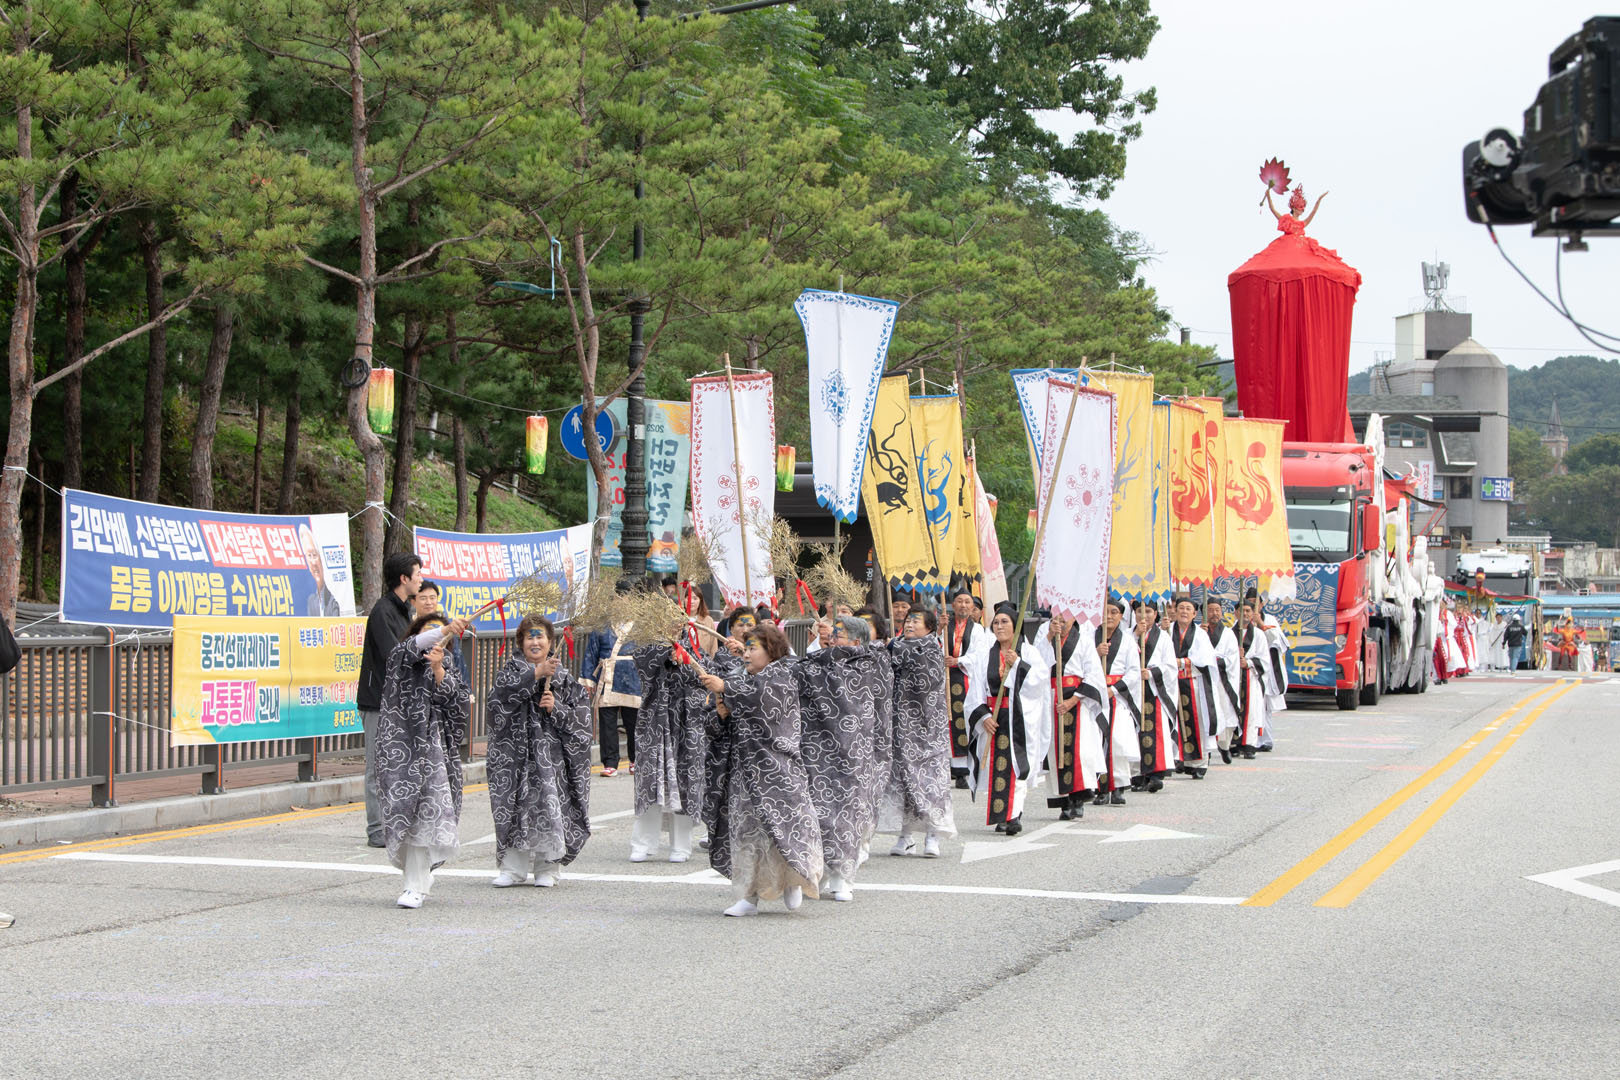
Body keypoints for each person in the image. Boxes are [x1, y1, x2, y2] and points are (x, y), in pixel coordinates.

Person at [698, 623, 824, 917]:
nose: (747, 654)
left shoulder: (781, 677)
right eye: (746, 648)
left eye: (753, 648)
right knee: (746, 834)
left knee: (784, 828)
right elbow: (714, 726)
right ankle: (748, 897)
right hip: (744, 770)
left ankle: (794, 880)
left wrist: (726, 688)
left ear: (772, 651)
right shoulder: (739, 679)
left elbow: (761, 700)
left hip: (778, 769)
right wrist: (720, 714)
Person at [485, 615, 592, 888]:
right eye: (529, 637)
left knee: (549, 806)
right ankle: (512, 868)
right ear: (521, 642)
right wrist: (535, 674)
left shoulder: (564, 679)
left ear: (550, 641)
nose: (535, 642)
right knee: (514, 807)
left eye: (540, 636)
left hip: (551, 756)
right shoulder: (509, 674)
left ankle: (548, 867)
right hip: (513, 754)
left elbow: (582, 721)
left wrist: (556, 708)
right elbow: (497, 703)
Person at [376, 612, 471, 908]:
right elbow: (407, 649)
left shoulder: (449, 665)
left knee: (424, 815)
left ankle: (414, 885)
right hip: (400, 751)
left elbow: (457, 703)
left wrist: (439, 669)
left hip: (434, 754)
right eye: (430, 633)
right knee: (402, 814)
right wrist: (444, 628)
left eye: (443, 636)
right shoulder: (401, 660)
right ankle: (418, 877)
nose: (436, 639)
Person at [795, 613, 892, 902]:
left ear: (857, 641)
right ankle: (820, 872)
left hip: (854, 752)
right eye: (832, 633)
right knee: (817, 812)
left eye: (839, 634)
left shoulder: (871, 664)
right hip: (816, 749)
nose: (833, 637)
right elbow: (794, 670)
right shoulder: (815, 662)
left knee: (847, 815)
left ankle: (843, 877)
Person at [965, 601, 1051, 836]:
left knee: (1016, 765)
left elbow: (1040, 681)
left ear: (1015, 626)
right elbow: (975, 691)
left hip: (1019, 718)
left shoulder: (1029, 652)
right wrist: (983, 716)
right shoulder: (985, 656)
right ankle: (1002, 814)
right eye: (996, 622)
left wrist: (1019, 665)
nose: (1000, 626)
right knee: (997, 765)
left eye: (1005, 622)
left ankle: (1013, 814)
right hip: (994, 719)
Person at [357, 551, 422, 847]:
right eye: (417, 574)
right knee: (377, 767)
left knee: (396, 766)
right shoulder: (382, 611)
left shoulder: (404, 610)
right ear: (404, 578)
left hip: (396, 701)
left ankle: (394, 824)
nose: (421, 579)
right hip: (377, 701)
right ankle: (376, 829)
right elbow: (394, 655)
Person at [884, 609, 958, 857]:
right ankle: (905, 836)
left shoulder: (931, 649)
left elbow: (923, 678)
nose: (910, 624)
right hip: (900, 727)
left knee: (930, 782)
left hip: (928, 728)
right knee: (903, 781)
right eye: (908, 620)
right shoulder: (895, 647)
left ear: (929, 628)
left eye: (916, 621)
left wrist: (894, 649)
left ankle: (932, 834)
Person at [630, 640, 708, 864]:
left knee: (684, 784)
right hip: (654, 723)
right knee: (650, 783)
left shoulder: (694, 649)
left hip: (687, 724)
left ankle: (681, 846)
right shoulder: (647, 648)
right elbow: (644, 668)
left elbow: (706, 678)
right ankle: (643, 844)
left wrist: (686, 661)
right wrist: (666, 654)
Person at [1033, 609, 1107, 820]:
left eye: (1065, 616)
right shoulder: (1044, 635)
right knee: (1054, 749)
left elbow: (1093, 674)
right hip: (1051, 698)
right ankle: (1063, 800)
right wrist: (1049, 638)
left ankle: (1078, 797)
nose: (1061, 620)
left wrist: (1073, 700)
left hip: (1077, 700)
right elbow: (1036, 664)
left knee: (1079, 751)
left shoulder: (1084, 640)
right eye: (1057, 616)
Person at [582, 587, 642, 777]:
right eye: (618, 598)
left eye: (626, 598)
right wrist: (588, 680)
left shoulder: (641, 626)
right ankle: (610, 762)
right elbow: (591, 652)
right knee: (607, 721)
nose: (622, 602)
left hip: (632, 678)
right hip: (607, 676)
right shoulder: (602, 625)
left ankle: (635, 759)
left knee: (633, 722)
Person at [1093, 596, 1142, 804]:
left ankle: (1119, 785)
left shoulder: (1128, 641)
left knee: (1118, 741)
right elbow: (1082, 665)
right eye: (1106, 612)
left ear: (1121, 616)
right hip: (1095, 695)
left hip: (1119, 697)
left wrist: (1114, 689)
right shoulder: (1090, 637)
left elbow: (1133, 672)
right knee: (1097, 740)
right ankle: (1100, 787)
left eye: (1114, 612)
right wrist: (1096, 653)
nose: (1109, 616)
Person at [942, 589, 989, 787]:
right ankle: (951, 768)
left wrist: (959, 660)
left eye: (967, 602)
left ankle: (965, 769)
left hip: (966, 679)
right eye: (959, 601)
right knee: (947, 723)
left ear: (972, 607)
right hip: (945, 680)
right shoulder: (945, 626)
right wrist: (939, 630)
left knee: (965, 721)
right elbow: (936, 646)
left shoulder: (978, 630)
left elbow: (980, 655)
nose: (963, 605)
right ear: (953, 605)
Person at [1168, 596, 1217, 779]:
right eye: (1181, 607)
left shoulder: (1200, 634)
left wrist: (1181, 662)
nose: (1184, 611)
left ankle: (1199, 762)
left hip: (1192, 682)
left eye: (1188, 609)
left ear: (1195, 613)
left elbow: (1205, 659)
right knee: (1173, 721)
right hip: (1171, 683)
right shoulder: (1166, 631)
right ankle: (1177, 758)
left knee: (1197, 721)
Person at [1133, 602, 1180, 791]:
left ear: (1155, 614)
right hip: (1132, 691)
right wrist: (1136, 636)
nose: (1144, 615)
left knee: (1155, 732)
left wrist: (1151, 673)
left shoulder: (1163, 638)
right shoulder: (1128, 636)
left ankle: (1155, 773)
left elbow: (1170, 666)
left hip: (1154, 690)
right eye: (1139, 611)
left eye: (1148, 611)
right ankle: (1137, 773)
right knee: (1134, 731)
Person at [1247, 587, 1289, 751]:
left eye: (1255, 603)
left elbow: (1277, 642)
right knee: (1252, 704)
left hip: (1267, 666)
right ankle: (1251, 740)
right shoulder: (1242, 620)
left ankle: (1265, 740)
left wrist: (1261, 624)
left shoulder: (1270, 619)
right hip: (1250, 668)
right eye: (1250, 603)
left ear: (1262, 604)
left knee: (1266, 706)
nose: (1253, 606)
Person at [1231, 599, 1274, 760]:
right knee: (1233, 708)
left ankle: (1249, 744)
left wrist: (1248, 662)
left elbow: (1264, 659)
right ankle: (1234, 743)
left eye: (1248, 611)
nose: (1245, 614)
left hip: (1251, 677)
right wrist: (1235, 659)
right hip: (1233, 677)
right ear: (1235, 613)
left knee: (1251, 712)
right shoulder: (1228, 633)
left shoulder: (1258, 634)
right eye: (1241, 610)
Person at [1204, 599, 1243, 764]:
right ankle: (1207, 750)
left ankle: (1224, 745)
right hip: (1205, 678)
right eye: (1211, 610)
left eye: (1217, 610)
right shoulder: (1200, 632)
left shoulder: (1228, 634)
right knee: (1206, 713)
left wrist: (1213, 661)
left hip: (1222, 679)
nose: (1214, 613)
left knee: (1226, 711)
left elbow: (1232, 658)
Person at [300, 522, 341, 617]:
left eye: (314, 555)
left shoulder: (333, 602)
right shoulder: (311, 601)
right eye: (309, 556)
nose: (313, 563)